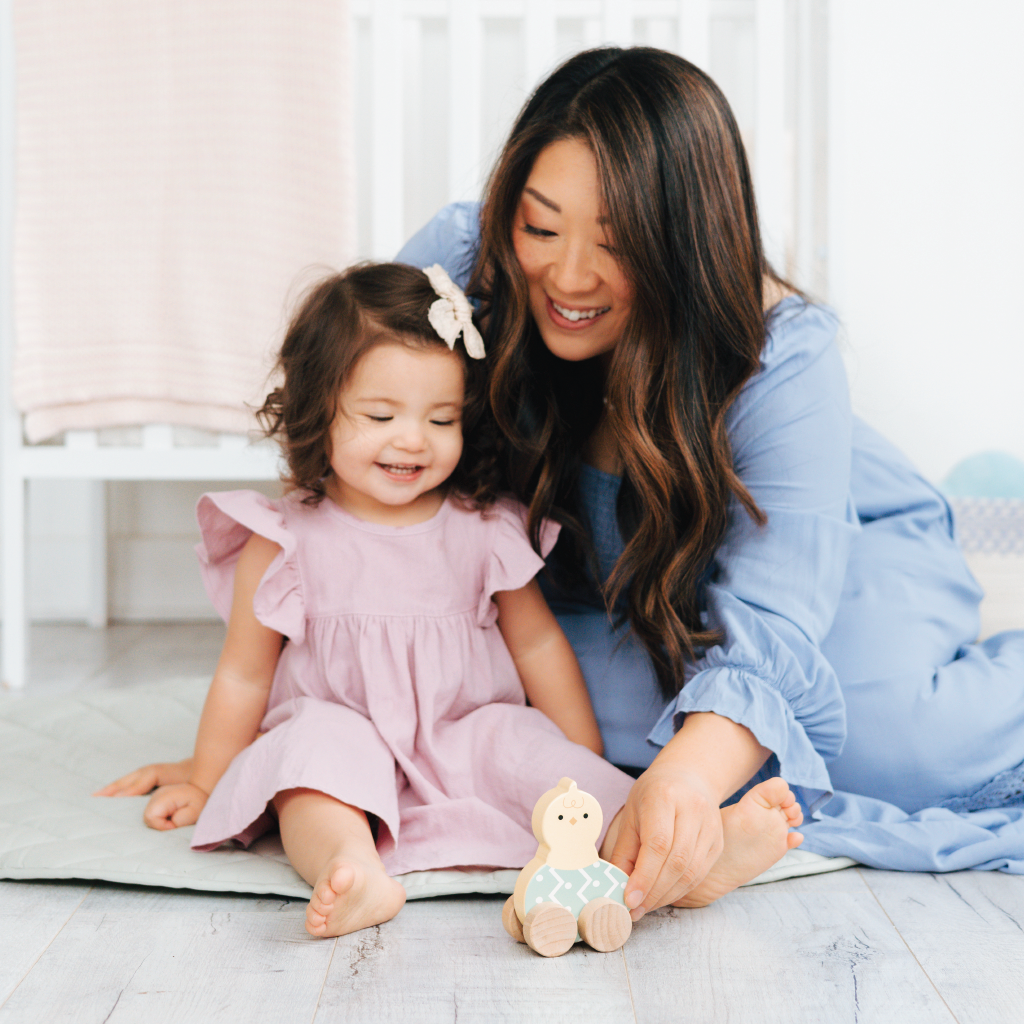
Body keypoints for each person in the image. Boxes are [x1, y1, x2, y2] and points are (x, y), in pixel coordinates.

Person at [396, 45, 1024, 919]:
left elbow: (775, 621)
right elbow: (352, 453)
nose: (568, 278)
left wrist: (685, 784)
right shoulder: (455, 269)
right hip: (598, 593)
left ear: (684, 248)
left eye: (614, 246)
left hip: (825, 563)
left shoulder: (782, 355)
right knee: (493, 707)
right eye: (540, 229)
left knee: (891, 748)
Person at [97, 261, 805, 938]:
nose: (413, 440)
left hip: (466, 730)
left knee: (535, 762)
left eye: (440, 420)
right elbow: (245, 672)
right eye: (380, 416)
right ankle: (351, 868)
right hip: (342, 731)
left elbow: (537, 646)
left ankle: (681, 856)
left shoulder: (481, 527)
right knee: (309, 772)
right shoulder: (284, 538)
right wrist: (208, 775)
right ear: (320, 410)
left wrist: (576, 761)